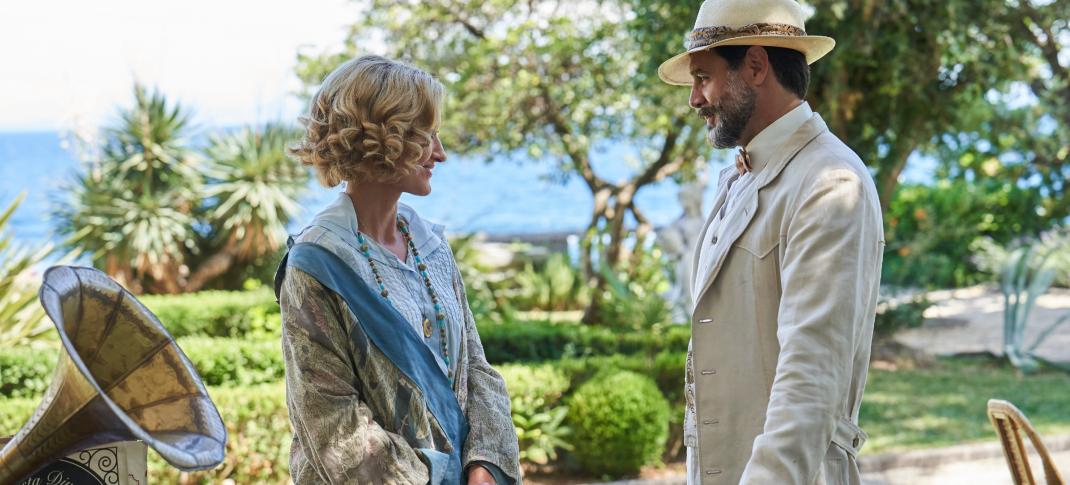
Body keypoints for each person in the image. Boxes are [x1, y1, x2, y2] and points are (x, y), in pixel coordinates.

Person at [656, 0, 885, 483]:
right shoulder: (740, 175)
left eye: (703, 77)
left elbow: (811, 377)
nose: (694, 99)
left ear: (756, 65)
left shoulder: (829, 182)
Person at [276, 55, 520, 485]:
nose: (440, 154)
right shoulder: (317, 265)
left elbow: (477, 371)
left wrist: (484, 466)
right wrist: (445, 476)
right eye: (427, 136)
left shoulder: (430, 244)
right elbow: (335, 430)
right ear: (382, 138)